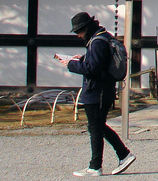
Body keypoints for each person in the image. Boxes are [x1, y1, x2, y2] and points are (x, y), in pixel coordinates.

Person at [58, 12, 137, 177]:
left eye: (79, 32)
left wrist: (72, 65)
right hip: (101, 90)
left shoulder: (97, 42)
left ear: (86, 28)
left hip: (97, 92)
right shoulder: (101, 37)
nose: (79, 36)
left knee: (96, 127)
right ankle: (122, 155)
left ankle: (97, 166)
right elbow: (97, 62)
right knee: (98, 127)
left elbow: (93, 69)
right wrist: (82, 59)